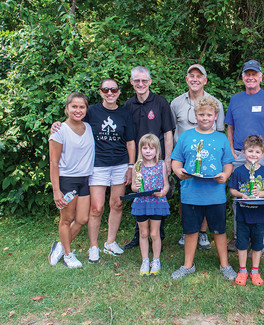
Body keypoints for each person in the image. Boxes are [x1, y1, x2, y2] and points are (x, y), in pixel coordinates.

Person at [170, 97, 236, 280]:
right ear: (195, 115)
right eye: (201, 114)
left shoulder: (221, 138)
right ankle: (187, 265)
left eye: (209, 115)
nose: (205, 118)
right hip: (191, 193)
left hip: (215, 194)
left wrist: (225, 175)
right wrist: (178, 171)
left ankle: (225, 265)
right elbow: (176, 160)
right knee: (190, 231)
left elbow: (228, 164)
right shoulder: (186, 136)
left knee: (219, 231)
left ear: (215, 116)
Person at [225, 59, 264, 251]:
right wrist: (231, 153)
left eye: (254, 74)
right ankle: (239, 237)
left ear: (260, 77)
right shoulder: (235, 99)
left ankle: (258, 241)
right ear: (243, 77)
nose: (250, 77)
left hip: (262, 156)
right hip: (239, 156)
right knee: (239, 197)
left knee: (260, 197)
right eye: (247, 74)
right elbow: (230, 128)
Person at [171, 64, 225, 250]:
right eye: (191, 76)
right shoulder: (176, 103)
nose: (195, 79)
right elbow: (171, 130)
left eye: (198, 76)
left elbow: (218, 133)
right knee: (186, 194)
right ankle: (188, 229)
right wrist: (173, 163)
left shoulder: (215, 103)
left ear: (205, 80)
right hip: (184, 156)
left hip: (208, 156)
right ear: (187, 79)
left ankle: (202, 232)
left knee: (207, 191)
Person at [124, 66, 175, 250]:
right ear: (131, 82)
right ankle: (139, 236)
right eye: (136, 80)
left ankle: (158, 236)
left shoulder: (160, 102)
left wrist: (168, 159)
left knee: (159, 194)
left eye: (144, 80)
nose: (140, 84)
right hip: (138, 161)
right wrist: (130, 165)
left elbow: (168, 132)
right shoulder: (128, 105)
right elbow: (128, 137)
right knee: (140, 195)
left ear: (150, 82)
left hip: (157, 160)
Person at [85, 78, 136, 262]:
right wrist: (58, 126)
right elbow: (75, 125)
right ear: (100, 92)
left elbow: (130, 142)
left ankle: (110, 242)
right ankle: (93, 246)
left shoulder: (124, 113)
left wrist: (131, 167)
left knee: (117, 204)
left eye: (113, 90)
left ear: (119, 92)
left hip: (120, 165)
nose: (110, 93)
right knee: (96, 208)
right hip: (98, 165)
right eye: (105, 90)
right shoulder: (91, 112)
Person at [48, 92, 95, 268]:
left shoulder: (89, 127)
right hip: (67, 180)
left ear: (86, 109)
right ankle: (68, 255)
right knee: (66, 219)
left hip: (85, 179)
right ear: (67, 108)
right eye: (74, 106)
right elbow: (53, 162)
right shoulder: (59, 131)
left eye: (81, 107)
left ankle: (60, 245)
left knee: (82, 219)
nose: (78, 110)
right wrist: (56, 190)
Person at [228, 135, 264, 286]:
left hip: (259, 216)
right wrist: (241, 194)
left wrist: (260, 193)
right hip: (242, 215)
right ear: (243, 152)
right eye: (250, 151)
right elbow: (232, 190)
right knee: (241, 244)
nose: (253, 155)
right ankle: (243, 270)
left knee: (257, 245)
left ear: (262, 154)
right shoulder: (239, 171)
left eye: (257, 152)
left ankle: (255, 270)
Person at [131, 134, 170, 276]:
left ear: (157, 150)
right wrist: (136, 186)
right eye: (145, 148)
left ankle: (156, 260)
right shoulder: (137, 166)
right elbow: (133, 188)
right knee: (144, 233)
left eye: (151, 148)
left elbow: (165, 185)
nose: (148, 151)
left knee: (154, 233)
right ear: (140, 149)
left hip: (157, 203)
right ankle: (145, 260)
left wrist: (163, 192)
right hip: (141, 203)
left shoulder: (161, 165)